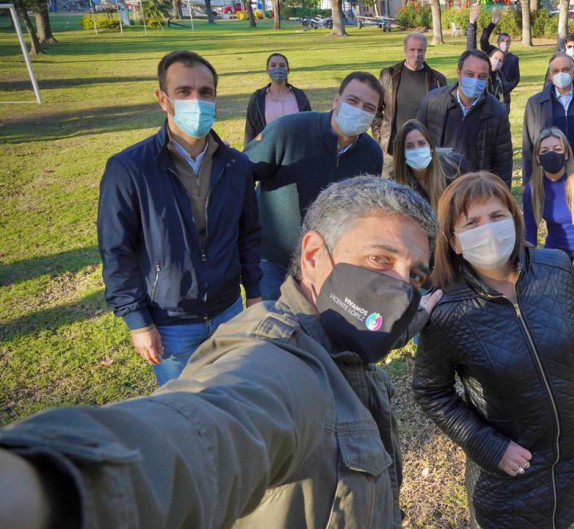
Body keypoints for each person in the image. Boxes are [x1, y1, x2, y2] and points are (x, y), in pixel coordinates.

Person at [0, 176, 442, 529]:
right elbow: (210, 432)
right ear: (312, 255)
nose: (399, 290)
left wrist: (417, 317)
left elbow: (382, 321)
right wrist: (44, 486)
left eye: (415, 276)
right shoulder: (282, 363)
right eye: (380, 261)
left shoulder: (344, 342)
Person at [413, 172, 574, 528]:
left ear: (516, 221)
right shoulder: (448, 311)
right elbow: (431, 391)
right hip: (510, 478)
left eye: (497, 216)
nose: (487, 229)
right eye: (472, 222)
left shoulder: (556, 268)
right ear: (454, 242)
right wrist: (490, 447)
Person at [97, 50, 262, 387]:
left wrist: (255, 293)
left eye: (205, 92)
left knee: (231, 398)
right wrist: (138, 322)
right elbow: (117, 251)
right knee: (183, 411)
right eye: (183, 92)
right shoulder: (129, 169)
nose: (196, 100)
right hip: (171, 321)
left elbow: (249, 235)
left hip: (229, 311)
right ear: (163, 99)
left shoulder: (236, 165)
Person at [245, 71, 384, 300]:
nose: (359, 110)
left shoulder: (371, 155)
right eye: (352, 101)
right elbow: (242, 176)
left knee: (314, 331)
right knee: (271, 328)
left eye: (368, 108)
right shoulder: (288, 131)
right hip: (272, 259)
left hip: (325, 264)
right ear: (336, 101)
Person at [417, 49, 513, 188]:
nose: (475, 80)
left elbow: (503, 163)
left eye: (482, 76)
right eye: (470, 74)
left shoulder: (497, 112)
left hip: (474, 192)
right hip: (435, 187)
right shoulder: (433, 102)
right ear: (458, 72)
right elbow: (416, 144)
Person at [522, 52, 574, 185]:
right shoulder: (535, 103)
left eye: (565, 70)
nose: (560, 74)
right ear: (550, 75)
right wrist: (528, 180)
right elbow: (528, 145)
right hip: (550, 171)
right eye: (556, 71)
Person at [523, 127, 574, 258]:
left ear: (566, 153)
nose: (551, 154)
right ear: (537, 158)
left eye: (557, 149)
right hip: (554, 255)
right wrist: (528, 258)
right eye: (545, 151)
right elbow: (530, 231)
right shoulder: (533, 190)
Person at [373, 33, 448, 155]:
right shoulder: (389, 76)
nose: (416, 54)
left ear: (425, 51)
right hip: (392, 150)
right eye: (412, 50)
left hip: (424, 150)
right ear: (404, 51)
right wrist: (379, 138)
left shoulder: (438, 80)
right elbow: (375, 110)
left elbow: (443, 116)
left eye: (420, 50)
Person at [243, 53, 312, 148]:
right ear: (267, 71)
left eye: (282, 65)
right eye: (273, 65)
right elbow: (249, 132)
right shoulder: (257, 98)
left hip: (296, 151)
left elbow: (309, 127)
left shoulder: (300, 96)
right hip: (267, 154)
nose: (278, 68)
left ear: (288, 70)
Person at [388, 119, 455, 210]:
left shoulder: (451, 170)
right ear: (401, 153)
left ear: (431, 147)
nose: (417, 150)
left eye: (421, 143)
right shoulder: (394, 185)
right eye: (409, 146)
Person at [471, 6, 521, 110]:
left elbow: (516, 78)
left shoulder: (514, 59)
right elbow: (483, 40)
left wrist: (505, 89)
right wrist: (492, 24)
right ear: (498, 42)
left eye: (507, 41)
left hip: (504, 98)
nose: (505, 43)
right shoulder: (492, 52)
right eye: (502, 41)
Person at [466, 4, 508, 109]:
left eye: (500, 60)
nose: (497, 61)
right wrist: (472, 24)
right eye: (495, 58)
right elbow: (473, 47)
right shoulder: (481, 74)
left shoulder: (500, 78)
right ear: (489, 57)